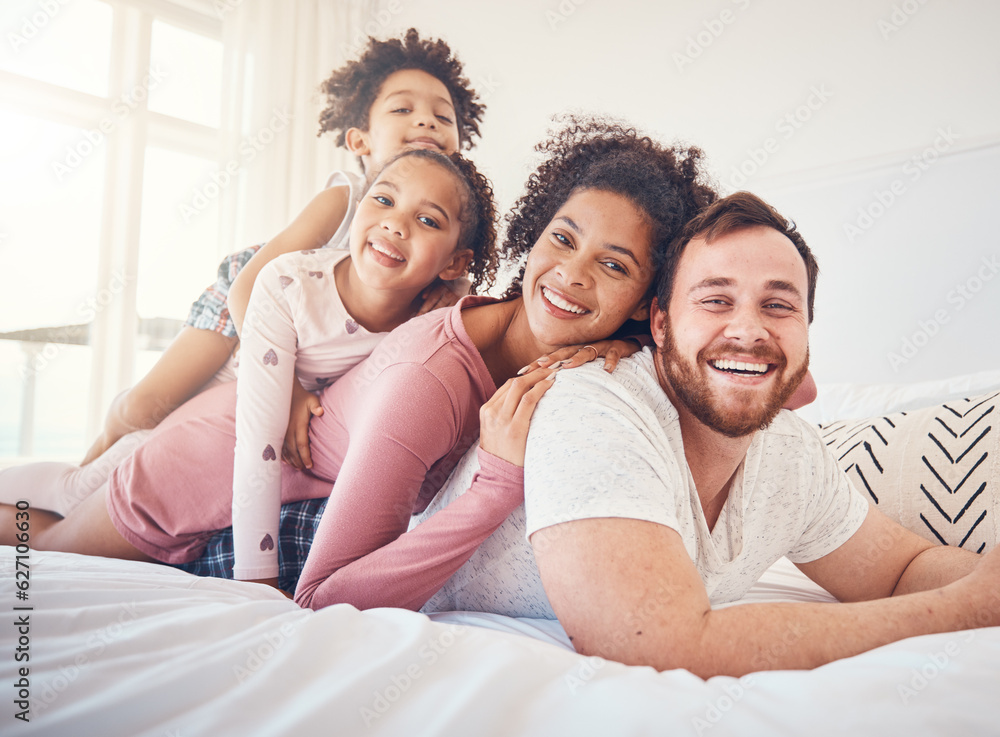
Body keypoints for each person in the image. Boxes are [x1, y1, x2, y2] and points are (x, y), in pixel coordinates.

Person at [0, 118, 718, 604]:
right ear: (534, 239)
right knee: (48, 550)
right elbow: (322, 593)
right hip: (205, 464)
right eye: (562, 240)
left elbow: (793, 386)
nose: (571, 275)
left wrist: (632, 342)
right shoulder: (429, 375)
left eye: (613, 265)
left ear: (644, 301)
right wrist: (495, 486)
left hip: (271, 486)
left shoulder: (560, 336)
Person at [422, 191, 999, 678]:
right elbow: (656, 644)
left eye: (778, 305)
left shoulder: (790, 451)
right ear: (662, 324)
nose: (749, 330)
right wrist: (959, 612)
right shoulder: (590, 404)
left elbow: (901, 570)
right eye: (715, 300)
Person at [0, 28, 486, 515]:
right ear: (359, 139)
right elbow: (253, 286)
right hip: (241, 304)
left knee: (161, 442)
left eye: (442, 117)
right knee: (147, 409)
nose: (426, 119)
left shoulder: (444, 252)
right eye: (403, 109)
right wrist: (288, 384)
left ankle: (76, 499)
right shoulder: (346, 196)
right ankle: (81, 470)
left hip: (294, 339)